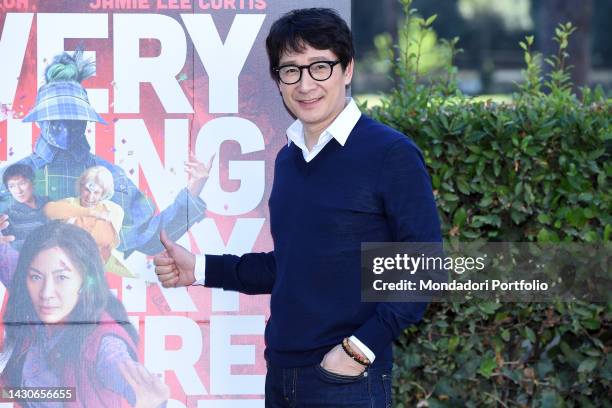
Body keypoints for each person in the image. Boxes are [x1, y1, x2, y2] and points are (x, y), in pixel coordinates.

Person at [154, 8, 442, 407]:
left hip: (347, 380)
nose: (305, 84)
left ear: (348, 70)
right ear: (278, 80)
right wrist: (198, 269)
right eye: (290, 70)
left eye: (320, 67)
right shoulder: (289, 158)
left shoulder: (390, 154)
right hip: (282, 375)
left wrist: (360, 349)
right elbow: (290, 265)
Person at [0, 47, 208, 257]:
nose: (64, 131)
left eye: (73, 122)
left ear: (85, 121)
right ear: (40, 121)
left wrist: (193, 192)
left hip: (88, 288)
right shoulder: (9, 177)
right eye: (55, 122)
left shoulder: (107, 177)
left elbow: (149, 238)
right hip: (27, 287)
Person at [0, 221, 169, 407]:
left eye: (61, 278)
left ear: (84, 281)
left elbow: (115, 363)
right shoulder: (29, 289)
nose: (45, 293)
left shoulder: (102, 343)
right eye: (36, 276)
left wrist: (146, 397)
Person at [44, 166, 123, 263]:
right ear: (80, 187)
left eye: (96, 192)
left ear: (103, 193)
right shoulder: (70, 204)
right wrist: (90, 212)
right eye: (87, 190)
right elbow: (48, 210)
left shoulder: (114, 211)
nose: (90, 197)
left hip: (100, 269)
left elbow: (110, 246)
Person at [1, 163, 49, 251]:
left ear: (32, 182)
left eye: (22, 183)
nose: (18, 191)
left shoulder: (47, 202)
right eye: (12, 186)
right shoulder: (7, 216)